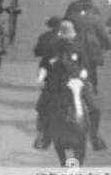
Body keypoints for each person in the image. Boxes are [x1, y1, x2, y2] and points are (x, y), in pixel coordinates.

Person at [34, 18, 105, 150]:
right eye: (65, 37)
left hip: (76, 82)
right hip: (56, 82)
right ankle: (43, 135)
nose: (67, 39)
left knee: (95, 109)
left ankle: (95, 137)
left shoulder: (78, 48)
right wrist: (41, 77)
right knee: (41, 106)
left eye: (69, 37)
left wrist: (82, 75)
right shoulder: (52, 48)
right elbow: (44, 64)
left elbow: (85, 66)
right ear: (60, 35)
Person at [64, 0, 111, 93]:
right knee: (92, 66)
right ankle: (93, 86)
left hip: (76, 43)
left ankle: (73, 85)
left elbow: (65, 22)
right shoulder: (95, 9)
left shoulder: (73, 7)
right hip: (92, 45)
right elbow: (101, 30)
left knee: (75, 64)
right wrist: (107, 44)